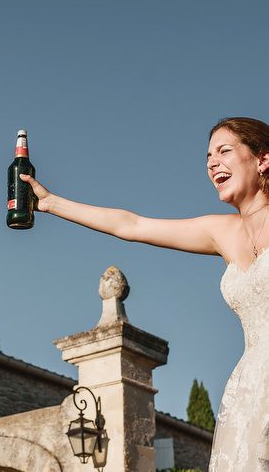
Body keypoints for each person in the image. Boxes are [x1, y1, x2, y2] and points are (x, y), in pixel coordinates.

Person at [20, 116, 269, 471]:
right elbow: (132, 225)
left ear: (262, 159)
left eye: (224, 151)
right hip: (250, 391)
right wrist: (51, 204)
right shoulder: (222, 231)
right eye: (208, 157)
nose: (212, 163)